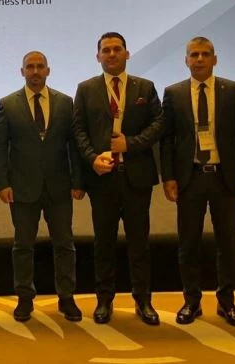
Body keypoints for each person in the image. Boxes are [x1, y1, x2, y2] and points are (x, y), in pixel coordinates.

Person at [160, 36, 235, 328]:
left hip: (225, 179)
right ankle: (191, 301)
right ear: (186, 61)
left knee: (227, 243)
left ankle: (227, 303)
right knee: (188, 244)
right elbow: (167, 140)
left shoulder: (232, 90)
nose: (199, 59)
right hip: (190, 179)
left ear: (215, 59)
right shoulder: (174, 93)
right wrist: (169, 177)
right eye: (194, 55)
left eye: (205, 54)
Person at [73, 32, 163, 325]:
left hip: (136, 178)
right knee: (104, 243)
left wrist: (130, 144)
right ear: (98, 56)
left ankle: (143, 300)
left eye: (117, 49)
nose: (111, 54)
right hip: (103, 180)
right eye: (106, 50)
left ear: (127, 53)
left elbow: (158, 124)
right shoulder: (86, 89)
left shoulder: (144, 88)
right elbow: (79, 131)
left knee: (140, 243)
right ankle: (104, 300)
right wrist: (92, 159)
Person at [0, 51, 84, 323]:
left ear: (48, 70)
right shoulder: (8, 104)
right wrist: (2, 183)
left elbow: (74, 146)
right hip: (22, 187)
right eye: (30, 67)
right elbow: (0, 146)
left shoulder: (65, 102)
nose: (35, 71)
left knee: (64, 244)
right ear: (22, 72)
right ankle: (24, 298)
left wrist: (77, 181)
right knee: (23, 245)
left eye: (39, 66)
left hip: (59, 187)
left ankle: (66, 298)